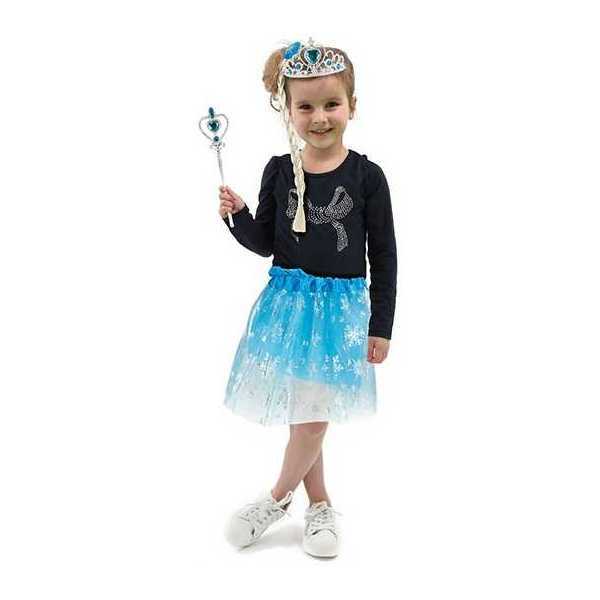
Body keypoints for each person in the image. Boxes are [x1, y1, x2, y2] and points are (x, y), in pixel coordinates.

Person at [218, 38, 397, 558]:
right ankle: (319, 504)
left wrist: (381, 325)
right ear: (288, 111)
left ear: (352, 106)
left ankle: (276, 498)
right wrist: (238, 216)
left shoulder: (367, 177)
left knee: (314, 414)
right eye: (306, 107)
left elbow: (384, 255)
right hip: (289, 306)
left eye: (331, 104)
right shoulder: (279, 170)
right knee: (306, 409)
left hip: (340, 312)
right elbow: (265, 242)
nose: (320, 117)